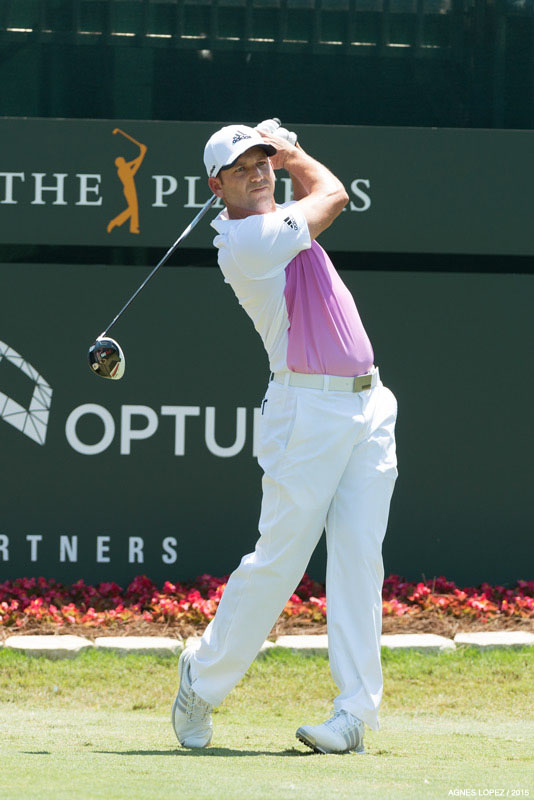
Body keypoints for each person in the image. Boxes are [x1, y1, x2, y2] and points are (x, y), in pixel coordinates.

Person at [171, 120, 398, 755]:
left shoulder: (277, 219)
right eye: (242, 165)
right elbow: (334, 194)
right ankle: (202, 680)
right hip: (306, 412)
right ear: (217, 185)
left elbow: (317, 197)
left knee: (359, 559)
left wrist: (285, 153)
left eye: (263, 159)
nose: (258, 170)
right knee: (280, 564)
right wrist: (295, 150)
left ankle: (353, 715)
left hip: (370, 404)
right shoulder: (249, 241)